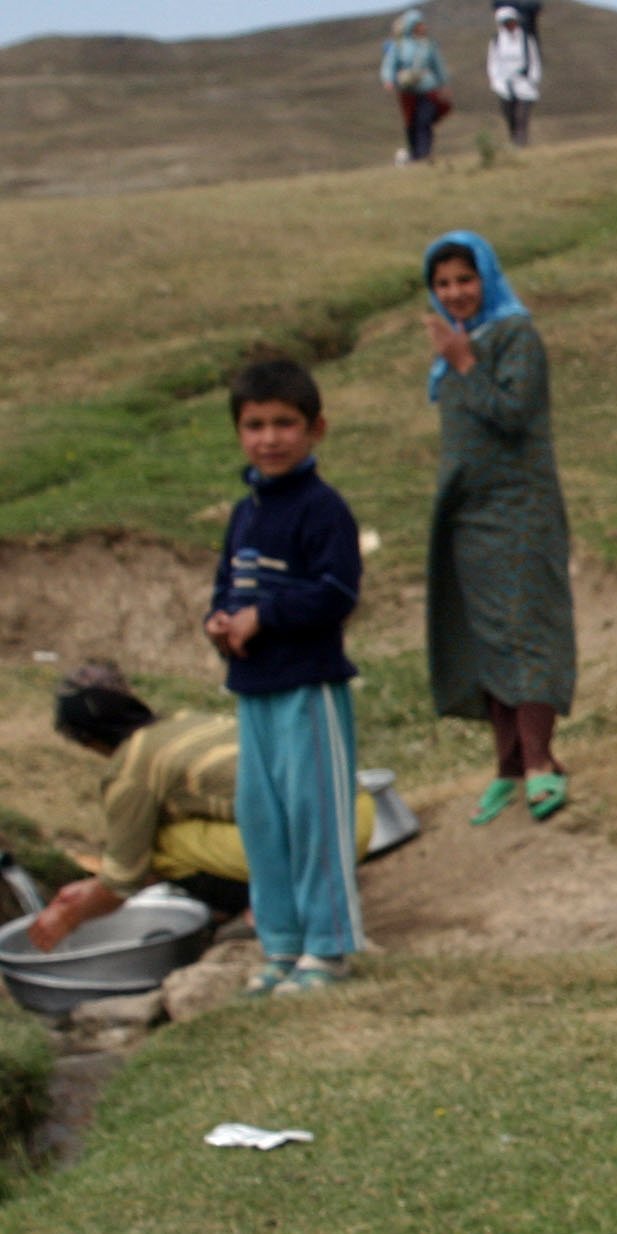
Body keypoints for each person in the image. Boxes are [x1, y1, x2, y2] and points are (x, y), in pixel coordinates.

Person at [206, 359, 367, 995]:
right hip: (255, 691)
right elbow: (226, 584)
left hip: (308, 687)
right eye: (254, 426)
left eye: (284, 424)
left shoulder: (323, 509)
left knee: (313, 816)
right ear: (239, 433)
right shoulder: (245, 514)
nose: (269, 439)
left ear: (315, 428)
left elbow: (336, 592)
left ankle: (327, 950)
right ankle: (281, 946)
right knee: (262, 821)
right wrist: (219, 621)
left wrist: (263, 617)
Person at [27, 671, 377, 952]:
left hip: (314, 838)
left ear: (86, 740)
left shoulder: (130, 768)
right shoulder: (188, 721)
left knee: (160, 844)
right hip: (355, 812)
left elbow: (122, 880)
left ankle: (269, 910)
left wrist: (68, 917)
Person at [421, 230, 576, 824]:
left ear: (487, 277)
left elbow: (513, 414)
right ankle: (507, 766)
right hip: (469, 511)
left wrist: (462, 363)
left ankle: (541, 763)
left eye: (466, 279)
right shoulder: (464, 340)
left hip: (521, 507)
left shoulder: (515, 335)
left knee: (526, 625)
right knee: (485, 632)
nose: (455, 292)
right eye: (443, 284)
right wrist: (458, 359)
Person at [379, 7, 448, 165]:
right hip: (408, 90)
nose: (422, 27)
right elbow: (389, 64)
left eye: (422, 24)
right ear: (411, 26)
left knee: (424, 120)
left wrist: (444, 84)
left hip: (428, 88)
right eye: (418, 24)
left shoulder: (429, 45)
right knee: (411, 122)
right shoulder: (400, 46)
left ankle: (425, 153)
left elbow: (438, 65)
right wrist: (388, 80)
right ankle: (416, 154)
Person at [488, 2, 541, 149]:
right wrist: (496, 81)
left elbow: (534, 60)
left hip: (524, 84)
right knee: (510, 116)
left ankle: (521, 144)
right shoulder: (497, 40)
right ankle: (514, 142)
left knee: (521, 117)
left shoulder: (526, 39)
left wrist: (533, 79)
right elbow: (493, 62)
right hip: (504, 86)